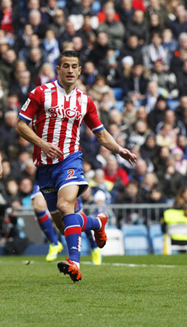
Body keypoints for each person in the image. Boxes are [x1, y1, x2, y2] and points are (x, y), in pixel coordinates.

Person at [16, 50, 137, 282]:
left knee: (65, 205)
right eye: (66, 66)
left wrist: (119, 149)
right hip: (44, 166)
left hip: (70, 160)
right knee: (64, 225)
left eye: (74, 66)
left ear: (80, 71)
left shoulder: (85, 101)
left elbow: (101, 134)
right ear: (58, 69)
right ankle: (96, 222)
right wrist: (42, 144)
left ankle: (75, 262)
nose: (70, 70)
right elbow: (21, 125)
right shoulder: (41, 93)